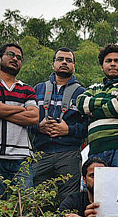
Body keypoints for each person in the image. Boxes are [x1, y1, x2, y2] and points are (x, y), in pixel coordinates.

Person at [0, 43, 39, 195]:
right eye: (11, 54)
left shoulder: (27, 89)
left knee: (25, 207)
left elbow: (34, 117)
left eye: (19, 57)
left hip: (22, 156)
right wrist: (21, 108)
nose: (15, 59)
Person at [29, 47, 87, 196]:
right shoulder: (38, 89)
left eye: (69, 60)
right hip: (42, 152)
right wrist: (38, 127)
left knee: (68, 200)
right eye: (60, 59)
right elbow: (27, 120)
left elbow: (89, 127)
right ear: (53, 64)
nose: (64, 63)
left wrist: (69, 130)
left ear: (74, 66)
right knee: (35, 198)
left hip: (69, 153)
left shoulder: (83, 93)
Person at [74, 44, 118, 168]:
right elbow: (80, 103)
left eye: (117, 61)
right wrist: (112, 103)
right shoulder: (93, 88)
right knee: (99, 188)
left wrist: (94, 112)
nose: (112, 64)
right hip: (96, 149)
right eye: (108, 61)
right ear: (102, 66)